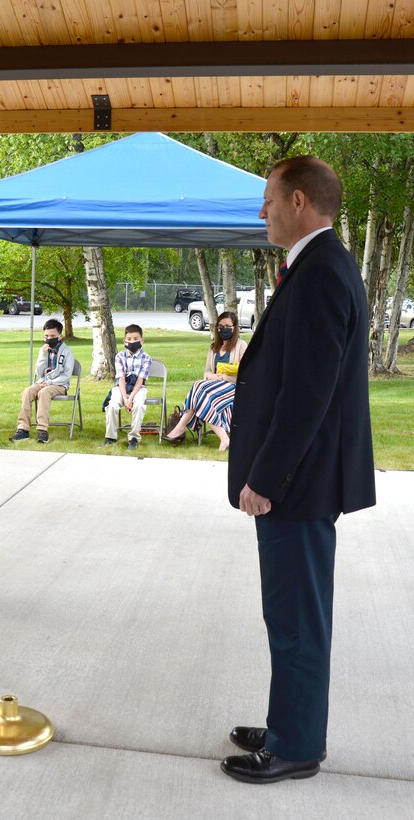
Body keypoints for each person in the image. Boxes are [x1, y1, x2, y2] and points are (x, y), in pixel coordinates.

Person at [222, 156, 376, 783]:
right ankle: (292, 721)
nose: (261, 211)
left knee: (295, 619)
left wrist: (265, 479)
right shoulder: (318, 266)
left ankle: (296, 748)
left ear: (299, 202)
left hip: (299, 485)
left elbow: (306, 396)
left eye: (268, 199)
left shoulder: (319, 275)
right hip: (305, 480)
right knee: (290, 614)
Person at [163, 311, 247, 450]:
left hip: (233, 387)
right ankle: (224, 439)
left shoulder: (241, 345)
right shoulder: (214, 347)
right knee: (202, 393)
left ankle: (179, 429)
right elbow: (207, 371)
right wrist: (210, 376)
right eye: (220, 326)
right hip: (213, 387)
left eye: (227, 326)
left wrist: (222, 376)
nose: (223, 329)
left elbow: (244, 370)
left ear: (235, 327)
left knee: (198, 388)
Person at [9, 318, 74, 444]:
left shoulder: (67, 351)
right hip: (43, 381)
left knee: (44, 393)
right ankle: (23, 429)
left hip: (59, 384)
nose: (49, 338)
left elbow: (66, 375)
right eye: (46, 336)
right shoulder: (43, 350)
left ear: (60, 336)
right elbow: (39, 373)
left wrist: (49, 383)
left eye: (53, 336)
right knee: (28, 391)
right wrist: (43, 355)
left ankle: (43, 431)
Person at [103, 324, 152, 451]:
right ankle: (110, 437)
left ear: (142, 340)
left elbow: (140, 380)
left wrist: (131, 400)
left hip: (138, 388)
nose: (132, 341)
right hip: (121, 388)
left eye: (136, 338)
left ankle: (134, 437)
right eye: (129, 339)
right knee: (112, 405)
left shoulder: (146, 358)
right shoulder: (120, 356)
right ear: (125, 341)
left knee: (139, 406)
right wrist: (125, 399)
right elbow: (121, 379)